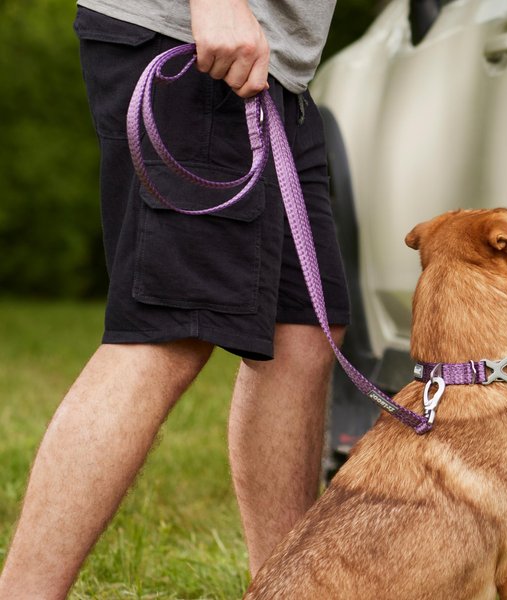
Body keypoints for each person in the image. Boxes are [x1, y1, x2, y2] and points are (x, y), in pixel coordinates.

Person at [0, 0, 349, 597]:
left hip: (272, 71)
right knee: (167, 332)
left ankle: (285, 590)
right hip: (205, 47)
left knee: (302, 327)